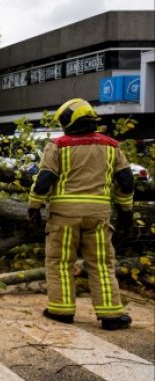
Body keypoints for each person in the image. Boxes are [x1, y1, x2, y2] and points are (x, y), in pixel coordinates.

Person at [28, 98, 134, 331]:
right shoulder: (112, 146)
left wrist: (34, 206)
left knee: (59, 262)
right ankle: (111, 315)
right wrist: (126, 210)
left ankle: (61, 310)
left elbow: (44, 180)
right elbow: (126, 182)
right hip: (98, 216)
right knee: (101, 263)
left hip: (63, 217)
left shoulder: (58, 146)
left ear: (69, 122)